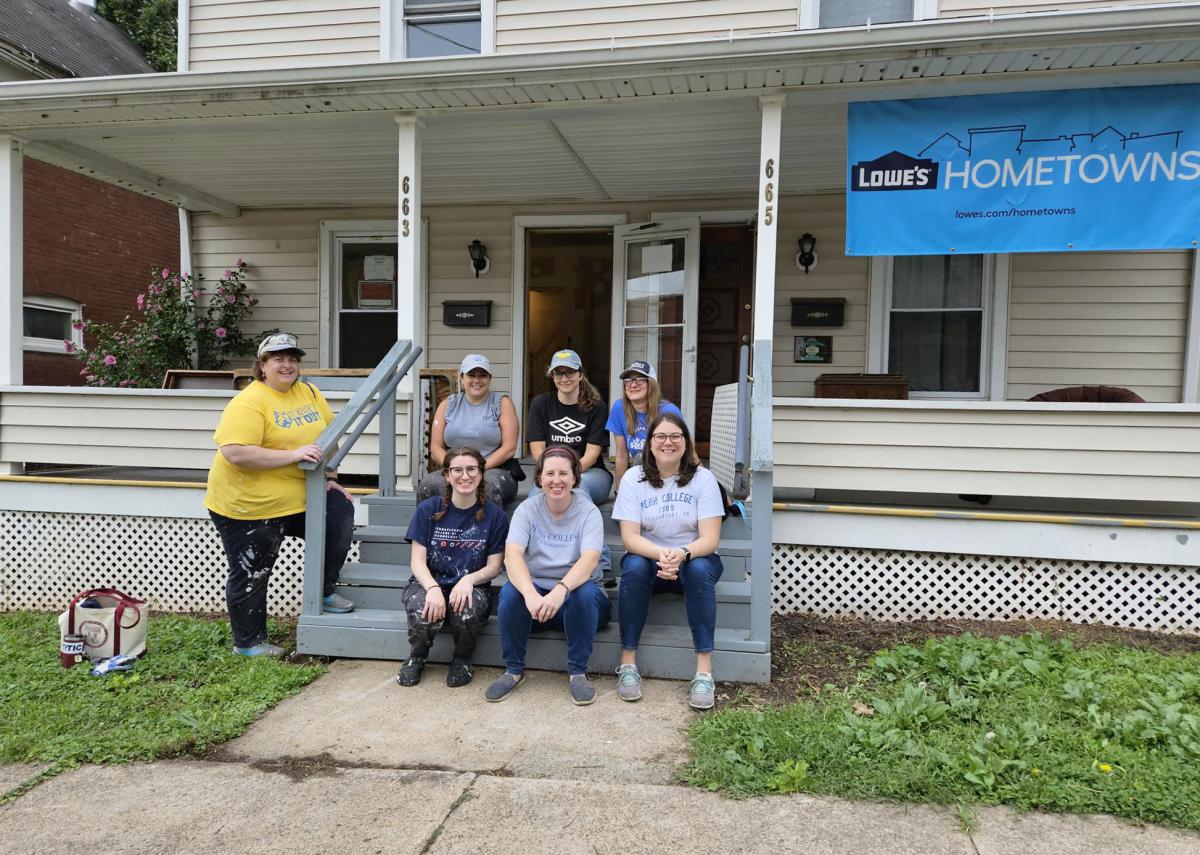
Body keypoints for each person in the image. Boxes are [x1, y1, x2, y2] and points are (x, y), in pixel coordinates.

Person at [205, 332, 355, 658]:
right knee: (254, 569)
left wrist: (329, 476)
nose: (287, 365)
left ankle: (324, 590)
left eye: (292, 358)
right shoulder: (249, 401)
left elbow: (329, 437)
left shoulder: (308, 392)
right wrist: (293, 456)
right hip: (248, 504)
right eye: (278, 359)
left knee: (339, 513)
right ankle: (248, 643)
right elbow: (235, 452)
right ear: (262, 366)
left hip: (299, 496)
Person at [612, 412, 725, 710]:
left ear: (686, 444)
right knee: (634, 566)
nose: (668, 442)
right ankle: (627, 664)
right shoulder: (633, 480)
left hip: (694, 558)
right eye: (660, 436)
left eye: (676, 436)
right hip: (651, 560)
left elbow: (710, 539)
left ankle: (703, 672)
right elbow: (630, 538)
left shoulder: (704, 479)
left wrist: (683, 553)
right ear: (649, 444)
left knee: (701, 570)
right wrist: (662, 555)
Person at [484, 446, 612, 706]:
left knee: (584, 592)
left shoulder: (588, 512)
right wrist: (531, 594)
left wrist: (560, 591)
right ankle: (513, 670)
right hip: (538, 605)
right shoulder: (527, 510)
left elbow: (589, 560)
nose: (556, 480)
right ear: (539, 477)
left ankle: (577, 672)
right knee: (510, 592)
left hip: (577, 601)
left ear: (575, 478)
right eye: (550, 473)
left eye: (563, 473)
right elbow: (512, 555)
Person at [397, 447, 508, 688]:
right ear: (447, 475)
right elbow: (417, 560)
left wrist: (468, 580)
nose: (465, 476)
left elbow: (494, 566)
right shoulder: (428, 510)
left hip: (472, 586)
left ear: (481, 474)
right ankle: (417, 657)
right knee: (421, 607)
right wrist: (433, 587)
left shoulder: (495, 516)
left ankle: (462, 659)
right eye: (457, 470)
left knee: (466, 608)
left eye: (471, 469)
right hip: (428, 581)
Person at [417, 354, 520, 507]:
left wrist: (476, 469)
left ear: (489, 378)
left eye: (483, 375)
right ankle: (430, 530)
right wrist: (456, 469)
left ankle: (485, 531)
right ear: (462, 377)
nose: (477, 380)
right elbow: (435, 448)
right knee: (428, 485)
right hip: (454, 469)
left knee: (487, 488)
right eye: (471, 375)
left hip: (494, 470)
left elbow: (509, 448)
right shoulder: (448, 404)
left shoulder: (502, 403)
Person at [526, 349, 612, 505]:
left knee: (576, 490)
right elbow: (537, 450)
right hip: (552, 471)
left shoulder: (597, 407)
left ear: (581, 375)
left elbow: (592, 455)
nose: (564, 378)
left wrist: (567, 474)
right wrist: (554, 474)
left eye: (570, 372)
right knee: (537, 497)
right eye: (558, 373)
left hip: (589, 472)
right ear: (552, 377)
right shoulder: (541, 404)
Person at [605, 359, 684, 489]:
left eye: (640, 379)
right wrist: (620, 494)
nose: (633, 385)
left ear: (651, 384)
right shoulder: (619, 408)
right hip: (641, 472)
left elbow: (685, 453)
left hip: (671, 474)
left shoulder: (669, 411)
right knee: (640, 460)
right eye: (628, 380)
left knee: (644, 458)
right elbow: (621, 456)